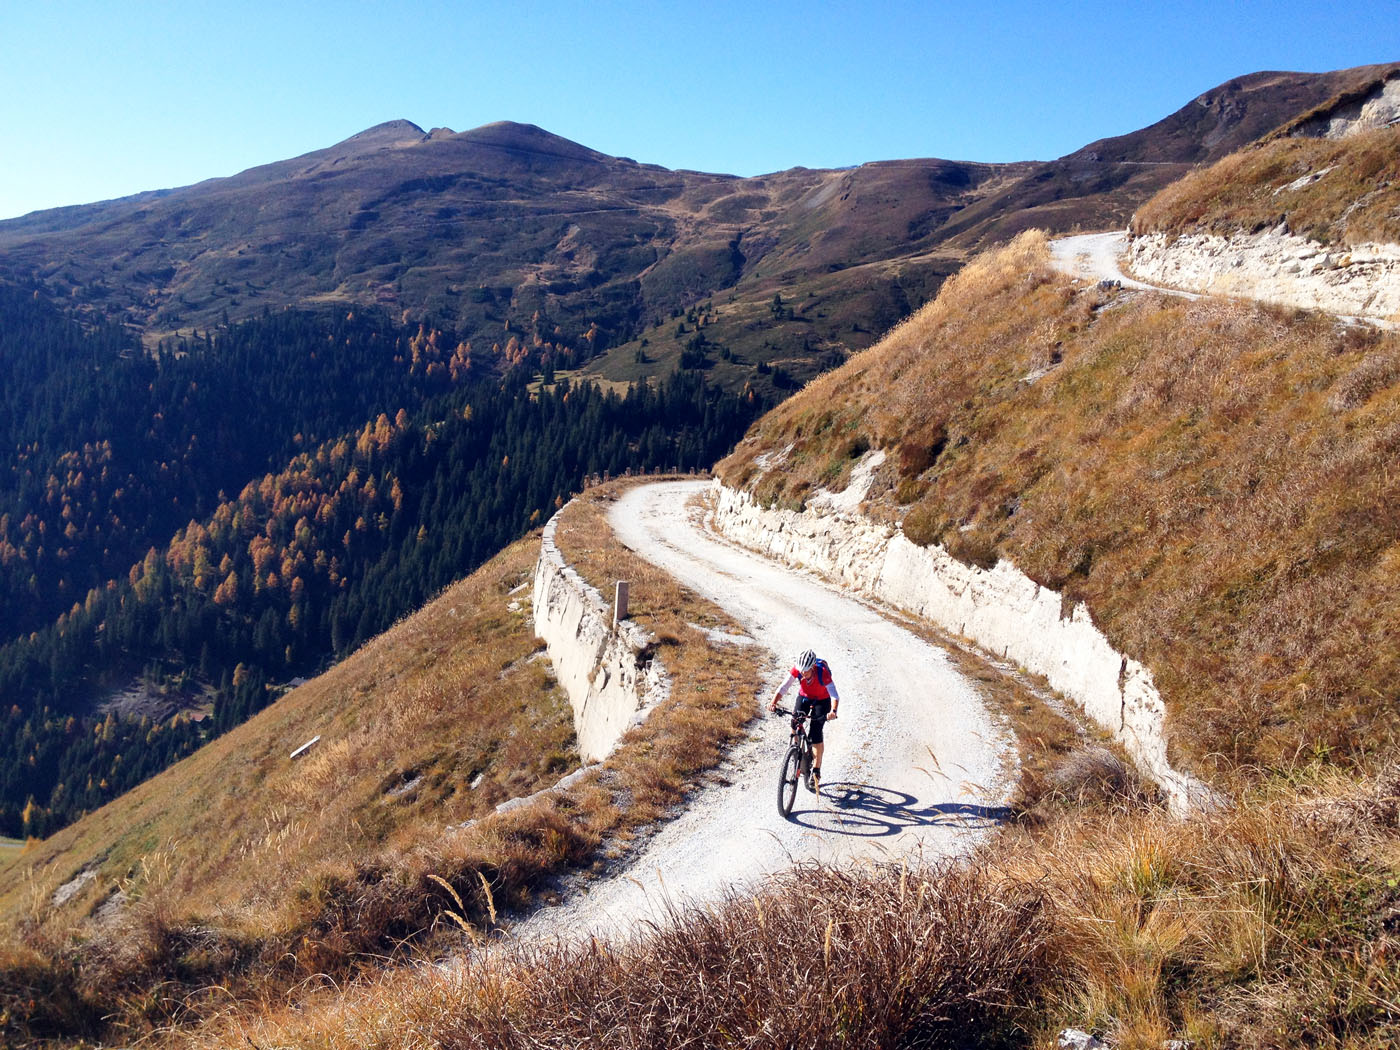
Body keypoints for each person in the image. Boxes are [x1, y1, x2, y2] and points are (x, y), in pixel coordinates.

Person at [768, 649, 840, 792]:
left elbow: (834, 695)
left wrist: (833, 711)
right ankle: (796, 752)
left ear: (812, 667)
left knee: (815, 732)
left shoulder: (822, 673)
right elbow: (784, 686)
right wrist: (773, 702)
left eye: (805, 671)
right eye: (801, 670)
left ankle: (816, 770)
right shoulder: (798, 669)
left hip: (822, 700)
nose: (802, 673)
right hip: (805, 697)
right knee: (795, 721)